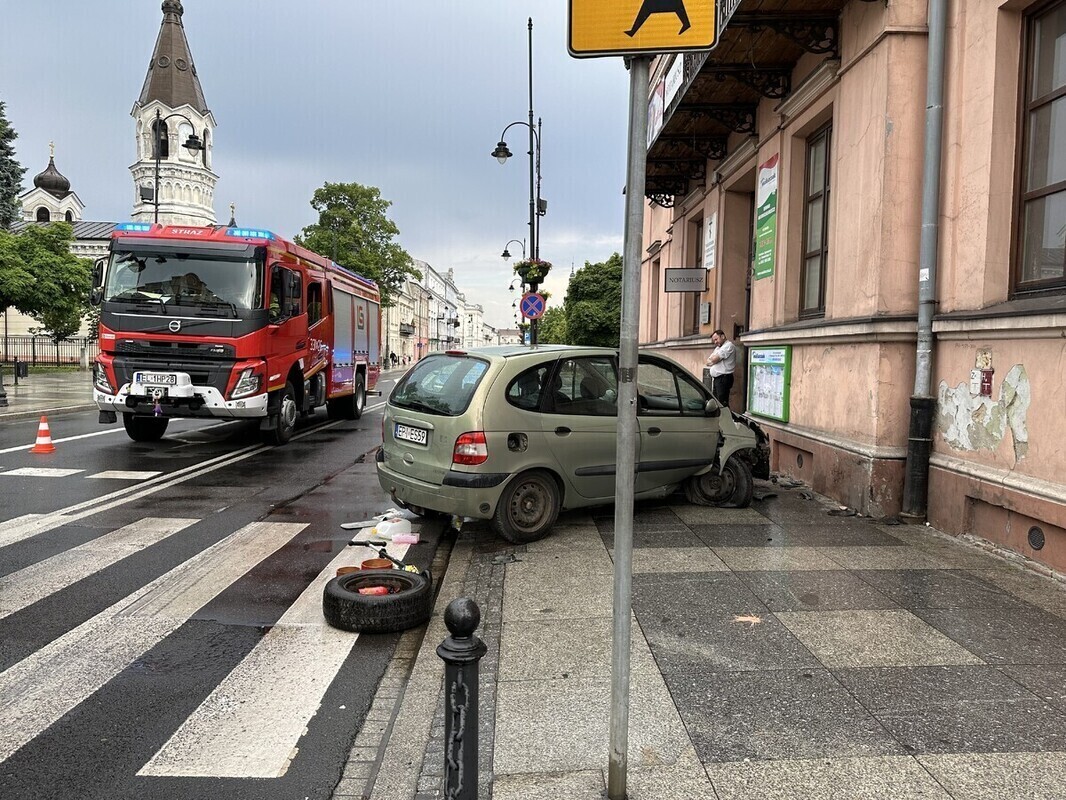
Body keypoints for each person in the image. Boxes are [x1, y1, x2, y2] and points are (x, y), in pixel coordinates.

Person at [706, 329, 736, 408]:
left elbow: (713, 359)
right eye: (714, 340)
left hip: (724, 378)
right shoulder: (718, 348)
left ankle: (725, 416)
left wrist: (714, 360)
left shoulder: (728, 346)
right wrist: (714, 360)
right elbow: (707, 361)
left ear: (722, 336)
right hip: (717, 379)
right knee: (716, 402)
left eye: (716, 339)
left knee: (722, 403)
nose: (715, 342)